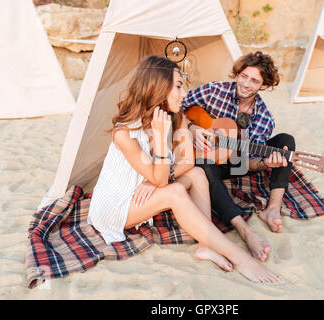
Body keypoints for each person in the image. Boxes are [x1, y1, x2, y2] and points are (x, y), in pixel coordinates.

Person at [87, 55, 281, 283]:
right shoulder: (123, 133)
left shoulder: (178, 117)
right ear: (158, 88)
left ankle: (205, 245)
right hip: (116, 206)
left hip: (146, 191)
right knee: (175, 192)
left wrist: (154, 178)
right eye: (178, 86)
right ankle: (242, 259)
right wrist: (159, 144)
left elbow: (188, 163)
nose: (184, 94)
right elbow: (161, 180)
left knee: (198, 173)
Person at [182, 51, 296, 262]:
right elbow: (177, 108)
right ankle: (244, 230)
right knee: (203, 166)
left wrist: (264, 163)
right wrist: (192, 128)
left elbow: (247, 162)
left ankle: (272, 210)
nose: (245, 83)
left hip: (237, 163)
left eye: (254, 81)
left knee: (285, 142)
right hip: (206, 160)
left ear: (264, 85)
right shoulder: (213, 91)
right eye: (243, 76)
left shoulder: (263, 117)